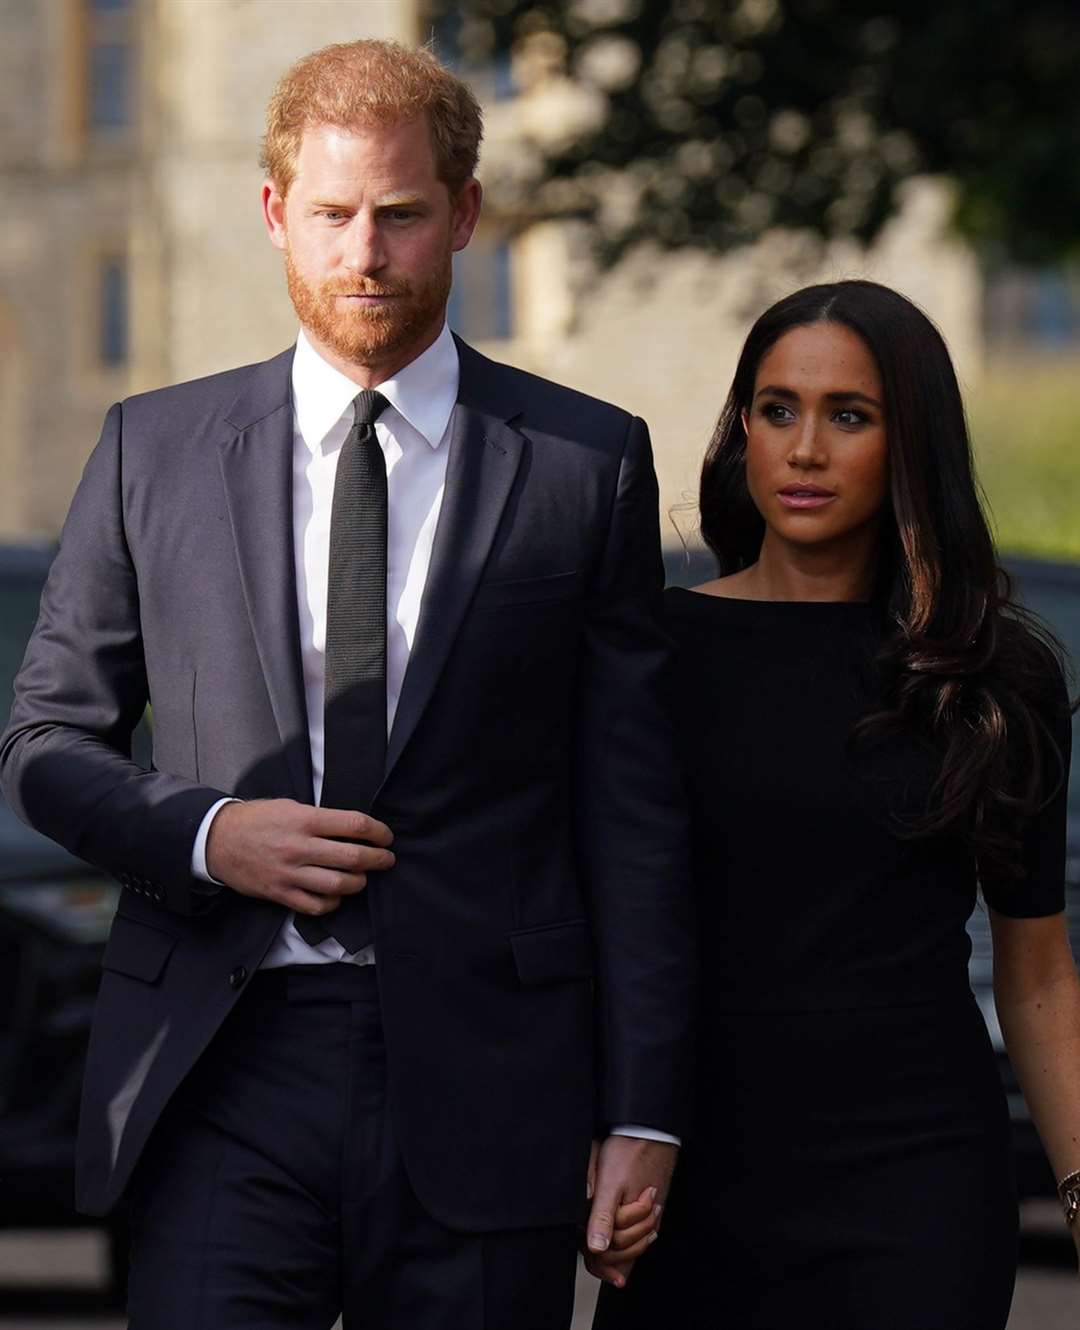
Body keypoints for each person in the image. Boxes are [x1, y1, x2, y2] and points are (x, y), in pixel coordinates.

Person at [0, 40, 695, 1329]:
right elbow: (43, 741)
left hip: (495, 1075)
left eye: (400, 214)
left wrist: (643, 1108)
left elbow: (636, 815)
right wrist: (211, 835)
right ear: (276, 214)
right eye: (329, 214)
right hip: (219, 1062)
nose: (363, 253)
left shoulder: (584, 464)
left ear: (467, 214)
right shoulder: (153, 450)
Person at [592, 280, 1080, 1329]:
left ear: (911, 445)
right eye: (778, 410)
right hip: (693, 1180)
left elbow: (1037, 975)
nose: (804, 449)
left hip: (919, 1187)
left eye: (848, 415)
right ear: (743, 433)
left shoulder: (993, 675)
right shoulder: (651, 655)